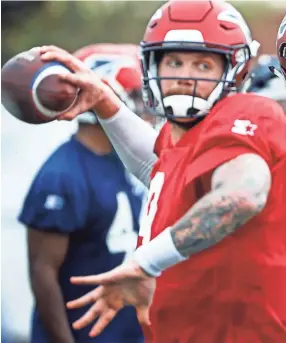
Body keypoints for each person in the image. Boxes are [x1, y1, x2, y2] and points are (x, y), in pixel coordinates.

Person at [37, 0, 286, 342]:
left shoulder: (247, 112)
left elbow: (242, 196)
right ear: (152, 65)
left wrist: (145, 263)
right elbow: (162, 172)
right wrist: (106, 103)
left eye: (202, 64)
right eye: (174, 62)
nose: (185, 77)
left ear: (236, 70)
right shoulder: (180, 134)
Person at [18, 43, 147, 343]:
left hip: (127, 329)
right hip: (85, 333)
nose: (145, 106)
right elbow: (43, 273)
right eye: (137, 95)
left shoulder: (127, 160)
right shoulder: (62, 175)